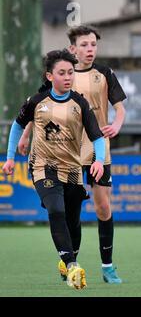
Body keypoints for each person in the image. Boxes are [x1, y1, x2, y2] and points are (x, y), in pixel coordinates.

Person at [19, 25, 126, 284]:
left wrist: (117, 124)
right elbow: (39, 106)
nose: (90, 49)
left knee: (103, 207)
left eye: (94, 45)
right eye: (85, 45)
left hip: (99, 148)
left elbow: (120, 108)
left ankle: (108, 266)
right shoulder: (62, 73)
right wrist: (25, 134)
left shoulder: (104, 73)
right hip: (68, 152)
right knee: (69, 211)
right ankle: (71, 261)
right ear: (72, 48)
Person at [2, 49, 105, 289]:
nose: (68, 77)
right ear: (50, 76)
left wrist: (99, 160)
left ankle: (69, 260)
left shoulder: (80, 103)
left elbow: (96, 135)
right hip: (42, 167)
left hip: (72, 169)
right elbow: (17, 126)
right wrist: (9, 158)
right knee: (56, 210)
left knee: (73, 221)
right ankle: (71, 265)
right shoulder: (37, 102)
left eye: (71, 72)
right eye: (62, 73)